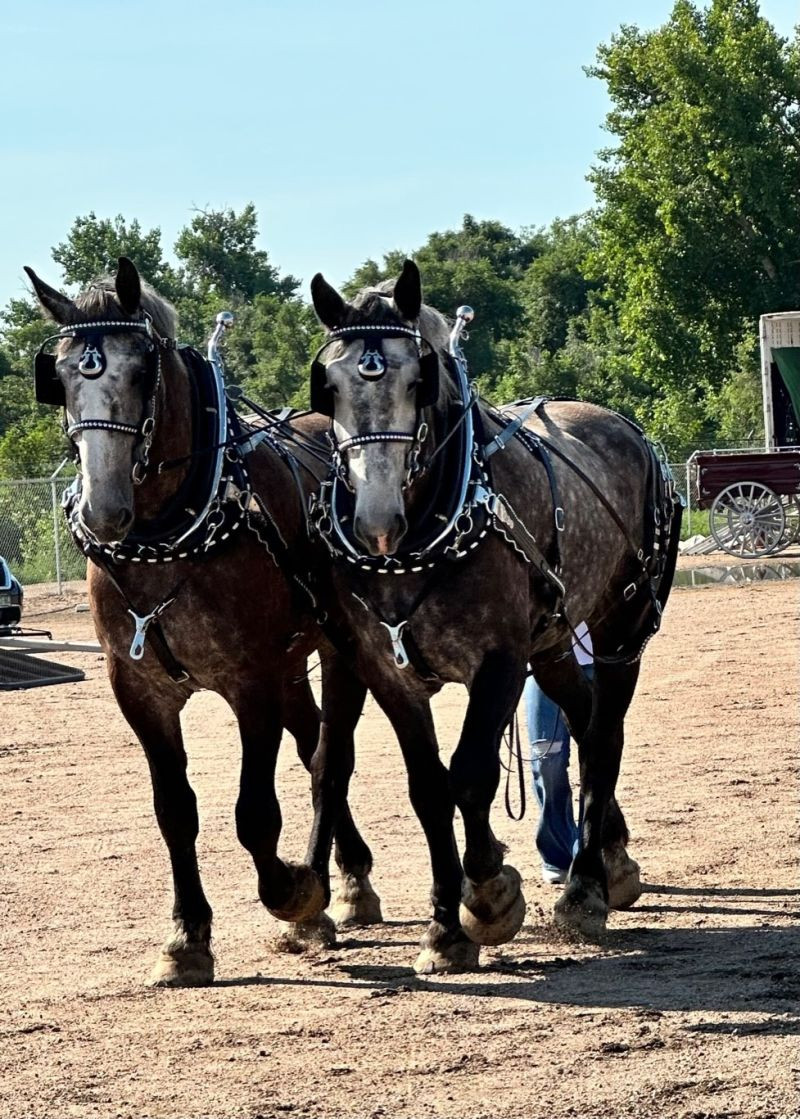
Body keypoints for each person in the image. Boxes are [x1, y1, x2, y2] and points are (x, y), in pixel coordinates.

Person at [524, 622, 593, 884]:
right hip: (543, 664)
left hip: (598, 659)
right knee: (546, 759)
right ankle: (559, 853)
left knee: (599, 758)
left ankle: (595, 846)